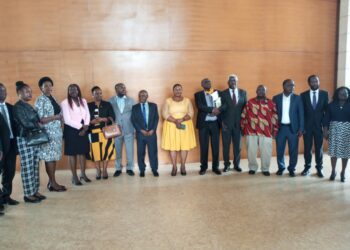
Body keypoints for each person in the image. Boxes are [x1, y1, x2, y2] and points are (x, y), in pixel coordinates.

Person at [13, 81, 46, 203]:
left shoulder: (28, 105)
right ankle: (28, 194)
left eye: (30, 91)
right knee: (27, 167)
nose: (30, 93)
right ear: (19, 93)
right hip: (24, 139)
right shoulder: (17, 107)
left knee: (35, 166)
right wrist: (38, 125)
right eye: (27, 91)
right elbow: (25, 123)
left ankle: (34, 191)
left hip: (34, 138)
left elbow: (36, 120)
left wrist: (37, 123)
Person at [35, 77, 66, 192]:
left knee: (53, 158)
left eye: (50, 85)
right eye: (45, 86)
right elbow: (40, 119)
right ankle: (53, 183)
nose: (48, 88)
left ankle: (51, 182)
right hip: (47, 134)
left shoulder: (53, 98)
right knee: (49, 158)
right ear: (41, 88)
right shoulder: (40, 100)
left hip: (56, 133)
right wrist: (56, 117)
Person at [240, 85, 278, 176]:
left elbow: (275, 117)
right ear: (256, 91)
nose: (261, 91)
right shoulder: (249, 102)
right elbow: (243, 115)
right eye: (259, 89)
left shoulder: (271, 103)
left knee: (266, 151)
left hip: (266, 131)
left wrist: (275, 130)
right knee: (251, 151)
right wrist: (242, 127)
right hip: (251, 131)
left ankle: (265, 169)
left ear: (266, 91)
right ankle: (252, 168)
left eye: (263, 90)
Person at [161, 84, 196, 176]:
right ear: (173, 91)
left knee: (184, 146)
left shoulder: (187, 100)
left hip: (185, 125)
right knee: (173, 147)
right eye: (176, 89)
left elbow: (191, 113)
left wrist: (181, 120)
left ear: (182, 90)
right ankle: (174, 166)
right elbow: (164, 113)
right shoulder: (168, 101)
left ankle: (183, 166)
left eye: (179, 89)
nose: (178, 91)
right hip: (171, 126)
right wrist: (175, 121)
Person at [273, 79, 304, 177]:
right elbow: (273, 114)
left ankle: (291, 169)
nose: (292, 87)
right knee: (280, 150)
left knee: (293, 150)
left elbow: (301, 115)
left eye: (293, 85)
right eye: (289, 85)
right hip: (280, 128)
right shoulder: (276, 98)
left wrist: (301, 129)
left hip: (293, 129)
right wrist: (273, 128)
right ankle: (281, 168)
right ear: (283, 86)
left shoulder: (297, 98)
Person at [61, 84, 91, 185]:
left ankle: (83, 174)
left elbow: (87, 114)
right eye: (70, 89)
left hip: (84, 128)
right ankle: (74, 177)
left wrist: (86, 125)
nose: (73, 91)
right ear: (68, 91)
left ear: (78, 90)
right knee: (72, 154)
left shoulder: (83, 101)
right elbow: (67, 119)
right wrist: (81, 127)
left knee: (82, 152)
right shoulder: (65, 103)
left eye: (75, 89)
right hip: (71, 130)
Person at [300, 75, 329, 177]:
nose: (314, 83)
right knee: (307, 148)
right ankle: (307, 168)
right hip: (307, 127)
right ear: (309, 83)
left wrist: (326, 128)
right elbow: (301, 113)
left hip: (319, 127)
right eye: (312, 82)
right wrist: (301, 127)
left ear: (319, 81)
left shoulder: (324, 94)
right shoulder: (303, 95)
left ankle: (319, 168)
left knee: (319, 148)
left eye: (316, 81)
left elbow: (327, 112)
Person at [220, 74, 247, 172]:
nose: (233, 82)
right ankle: (226, 165)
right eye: (231, 80)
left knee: (237, 146)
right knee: (226, 146)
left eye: (234, 80)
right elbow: (220, 109)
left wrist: (244, 123)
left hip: (238, 125)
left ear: (237, 81)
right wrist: (221, 122)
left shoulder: (243, 92)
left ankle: (237, 165)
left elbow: (245, 110)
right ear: (228, 82)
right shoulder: (223, 93)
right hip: (226, 125)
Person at [87, 86, 116, 180]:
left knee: (106, 151)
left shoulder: (107, 104)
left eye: (100, 93)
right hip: (93, 132)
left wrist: (103, 119)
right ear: (92, 95)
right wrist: (91, 121)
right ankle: (98, 170)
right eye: (96, 93)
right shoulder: (88, 105)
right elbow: (84, 118)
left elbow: (112, 116)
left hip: (106, 132)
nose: (99, 95)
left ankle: (104, 170)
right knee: (95, 152)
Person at [194, 78, 221, 175]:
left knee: (215, 146)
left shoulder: (216, 92)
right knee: (204, 147)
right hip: (203, 124)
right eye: (205, 82)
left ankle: (215, 167)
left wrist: (217, 110)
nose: (208, 83)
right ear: (202, 84)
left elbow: (219, 105)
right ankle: (203, 167)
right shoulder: (198, 95)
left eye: (209, 82)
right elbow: (200, 106)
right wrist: (212, 110)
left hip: (215, 123)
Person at [323, 87, 350, 182]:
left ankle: (343, 172)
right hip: (334, 131)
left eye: (345, 93)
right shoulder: (331, 105)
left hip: (347, 132)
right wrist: (325, 131)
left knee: (345, 153)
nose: (343, 95)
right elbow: (326, 119)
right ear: (337, 94)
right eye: (341, 93)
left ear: (348, 94)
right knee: (333, 153)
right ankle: (333, 171)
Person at [131, 90, 159, 177]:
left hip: (151, 133)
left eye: (144, 95)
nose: (142, 96)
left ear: (147, 96)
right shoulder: (134, 107)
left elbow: (156, 118)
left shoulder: (153, 106)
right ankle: (142, 170)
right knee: (140, 152)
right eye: (141, 95)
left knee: (153, 152)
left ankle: (154, 169)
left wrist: (153, 130)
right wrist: (140, 130)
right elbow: (133, 120)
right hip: (140, 134)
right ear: (139, 96)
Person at [109, 83, 135, 177]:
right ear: (116, 90)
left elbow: (135, 115)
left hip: (129, 129)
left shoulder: (131, 100)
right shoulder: (111, 100)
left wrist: (135, 129)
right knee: (117, 150)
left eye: (124, 87)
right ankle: (118, 168)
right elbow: (109, 113)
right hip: (116, 130)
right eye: (121, 88)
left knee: (129, 150)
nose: (123, 89)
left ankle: (130, 168)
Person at [0, 83, 19, 205]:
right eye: (1, 91)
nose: (3, 93)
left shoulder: (11, 107)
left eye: (4, 91)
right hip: (0, 146)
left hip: (11, 144)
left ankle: (6, 196)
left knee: (10, 171)